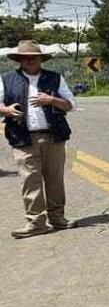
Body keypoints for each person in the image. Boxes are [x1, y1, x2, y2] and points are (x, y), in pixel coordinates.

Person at [0, 39, 78, 239]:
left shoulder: (55, 78)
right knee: (29, 181)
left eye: (34, 57)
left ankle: (58, 218)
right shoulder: (6, 79)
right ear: (19, 59)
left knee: (55, 180)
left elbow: (71, 104)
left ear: (40, 59)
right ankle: (36, 223)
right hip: (23, 138)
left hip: (54, 137)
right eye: (25, 58)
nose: (30, 61)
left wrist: (51, 100)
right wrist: (6, 110)